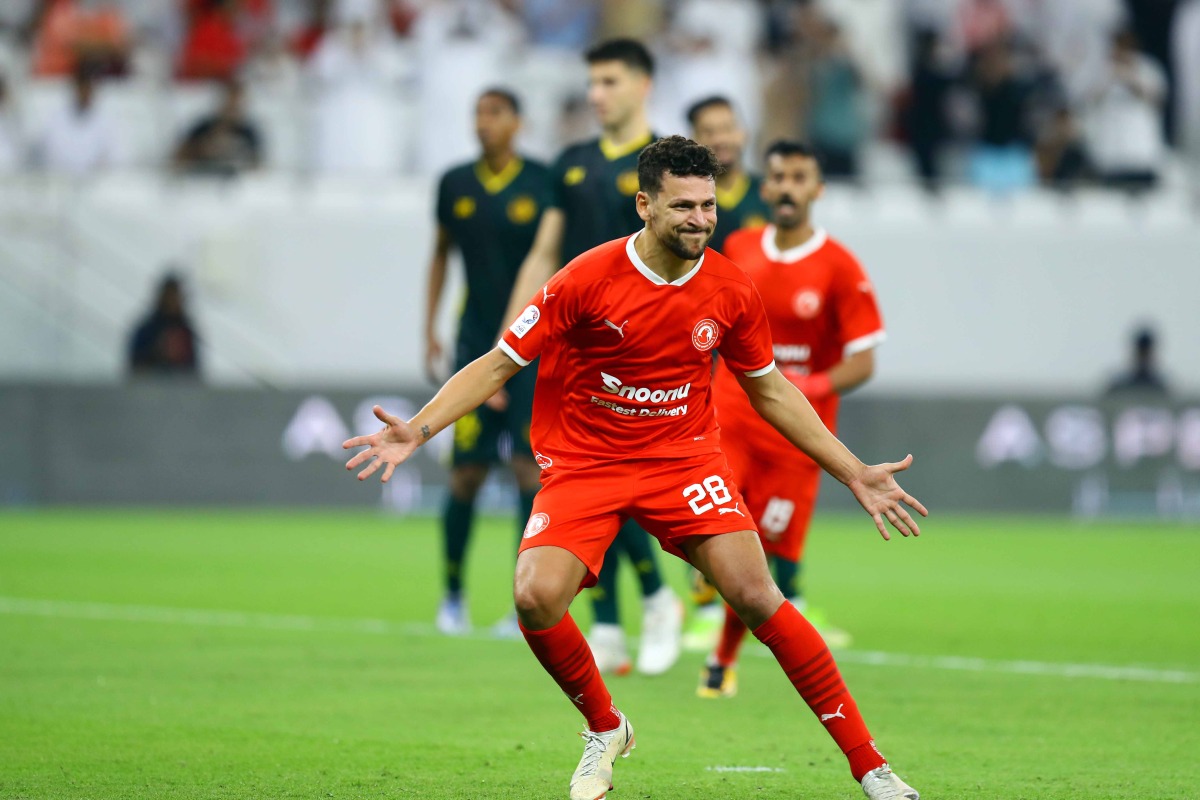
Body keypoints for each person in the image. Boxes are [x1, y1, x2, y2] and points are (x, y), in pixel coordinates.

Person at [345, 135, 924, 800]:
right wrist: (417, 431)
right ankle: (607, 726)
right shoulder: (586, 279)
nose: (700, 219)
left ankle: (870, 767)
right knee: (534, 597)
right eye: (683, 206)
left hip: (682, 462)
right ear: (644, 205)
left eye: (707, 206)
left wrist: (852, 471)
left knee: (759, 595)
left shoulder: (730, 286)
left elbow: (770, 389)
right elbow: (502, 362)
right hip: (587, 463)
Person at [502, 38, 683, 677]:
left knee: (619, 486)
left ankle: (658, 599)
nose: (596, 93)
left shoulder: (665, 165)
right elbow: (543, 254)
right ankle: (608, 622)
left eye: (608, 81)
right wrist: (509, 341)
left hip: (640, 354)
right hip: (569, 353)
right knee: (574, 481)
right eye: (593, 82)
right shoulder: (572, 161)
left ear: (642, 84)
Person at [698, 140, 887, 699]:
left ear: (817, 189)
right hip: (729, 418)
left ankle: (722, 657)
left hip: (796, 439)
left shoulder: (840, 266)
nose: (785, 187)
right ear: (765, 186)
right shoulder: (737, 245)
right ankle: (694, 593)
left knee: (765, 554)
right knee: (719, 532)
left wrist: (808, 385)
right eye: (777, 176)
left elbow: (864, 360)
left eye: (798, 177)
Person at [424, 88, 551, 635]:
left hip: (533, 345)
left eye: (495, 113)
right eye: (477, 113)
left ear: (517, 122)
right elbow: (440, 253)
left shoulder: (542, 183)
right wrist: (428, 327)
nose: (483, 124)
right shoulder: (454, 184)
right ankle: (452, 597)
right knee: (466, 474)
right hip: (474, 344)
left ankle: (518, 602)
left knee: (529, 468)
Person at [687, 96, 769, 253]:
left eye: (727, 129)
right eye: (709, 132)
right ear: (692, 140)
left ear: (743, 133)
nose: (720, 139)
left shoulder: (768, 194)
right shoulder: (686, 200)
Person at [172, 80, 263, 177]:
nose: (232, 106)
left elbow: (258, 166)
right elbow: (178, 157)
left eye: (236, 103)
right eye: (229, 101)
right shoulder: (204, 127)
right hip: (200, 179)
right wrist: (202, 149)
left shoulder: (248, 132)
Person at [128, 273, 200, 377]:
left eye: (176, 296)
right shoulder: (147, 330)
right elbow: (136, 368)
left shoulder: (186, 331)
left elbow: (194, 371)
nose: (173, 301)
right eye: (170, 296)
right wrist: (158, 352)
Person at [1105, 326, 1169, 396]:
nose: (1143, 356)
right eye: (1141, 352)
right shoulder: (1118, 385)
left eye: (1146, 352)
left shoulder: (1161, 388)